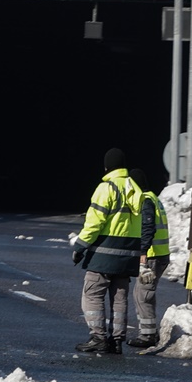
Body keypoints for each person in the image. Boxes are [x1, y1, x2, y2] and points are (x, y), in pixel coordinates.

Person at [73, 147, 145, 354]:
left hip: (104, 253)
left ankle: (98, 337)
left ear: (107, 166)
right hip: (128, 255)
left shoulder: (106, 188)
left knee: (93, 293)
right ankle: (116, 341)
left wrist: (80, 246)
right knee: (119, 297)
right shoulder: (135, 188)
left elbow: (94, 222)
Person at [126, 184, 170, 350]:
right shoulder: (154, 198)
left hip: (152, 255)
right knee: (144, 293)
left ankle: (147, 335)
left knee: (142, 295)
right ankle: (149, 331)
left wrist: (142, 251)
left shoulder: (145, 200)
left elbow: (147, 227)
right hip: (159, 253)